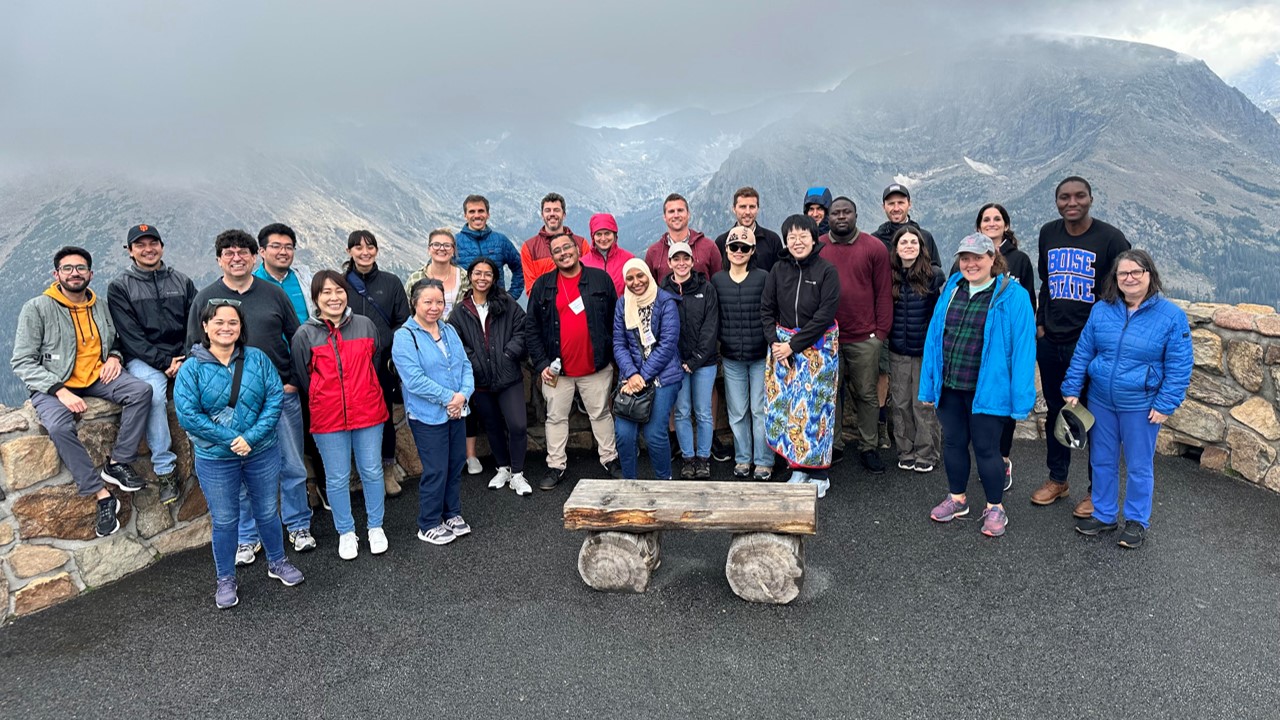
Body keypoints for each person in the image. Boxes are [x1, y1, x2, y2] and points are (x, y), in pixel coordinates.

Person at [188, 229, 313, 561]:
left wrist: (292, 380)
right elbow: (195, 349)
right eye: (228, 253)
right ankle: (248, 536)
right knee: (237, 470)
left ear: (254, 256)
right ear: (219, 259)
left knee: (292, 464)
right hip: (228, 404)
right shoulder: (206, 298)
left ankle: (299, 524)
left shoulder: (273, 294)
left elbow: (297, 337)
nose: (236, 257)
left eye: (242, 252)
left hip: (279, 395)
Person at [13, 247, 152, 538]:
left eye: (80, 268)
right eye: (67, 268)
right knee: (59, 426)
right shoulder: (37, 307)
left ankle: (117, 462)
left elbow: (115, 340)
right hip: (53, 383)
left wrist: (114, 356)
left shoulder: (99, 305)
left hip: (96, 375)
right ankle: (101, 494)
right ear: (56, 274)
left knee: (140, 391)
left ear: (90, 274)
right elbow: (23, 361)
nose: (74, 273)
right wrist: (59, 391)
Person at [174, 300, 304, 609]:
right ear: (205, 326)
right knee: (225, 519)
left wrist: (252, 437)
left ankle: (277, 561)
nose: (226, 327)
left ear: (241, 327)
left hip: (261, 451)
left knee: (267, 511)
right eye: (218, 322)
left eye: (232, 322)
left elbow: (274, 399)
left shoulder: (257, 360)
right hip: (216, 458)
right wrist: (235, 439)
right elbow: (188, 415)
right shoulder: (191, 369)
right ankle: (225, 578)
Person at [1063, 250, 1192, 549]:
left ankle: (1136, 521)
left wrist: (1165, 404)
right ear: (1115, 279)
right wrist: (1072, 386)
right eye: (1124, 273)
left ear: (1150, 275)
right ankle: (1105, 514)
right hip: (1100, 401)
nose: (1130, 278)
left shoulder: (1171, 317)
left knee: (1138, 464)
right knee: (1102, 460)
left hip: (1141, 404)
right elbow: (1084, 351)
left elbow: (1179, 364)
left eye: (1137, 272)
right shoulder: (1102, 311)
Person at [919, 233, 1036, 538]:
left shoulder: (1013, 295)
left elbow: (1024, 349)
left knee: (987, 449)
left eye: (978, 257)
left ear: (992, 259)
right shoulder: (953, 288)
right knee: (954, 444)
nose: (971, 263)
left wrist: (1021, 397)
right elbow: (934, 338)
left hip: (989, 389)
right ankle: (957, 499)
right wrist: (929, 385)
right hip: (951, 384)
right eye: (965, 257)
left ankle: (995, 507)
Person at [1030, 177, 1131, 518]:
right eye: (1064, 197)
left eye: (1079, 196)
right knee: (1057, 412)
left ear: (1090, 198)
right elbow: (1046, 282)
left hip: (1090, 345)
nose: (1071, 202)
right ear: (1056, 201)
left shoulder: (1110, 238)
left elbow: (1125, 286)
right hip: (1052, 340)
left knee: (1094, 417)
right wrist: (1041, 323)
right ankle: (1058, 479)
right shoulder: (1048, 233)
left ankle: (1096, 491)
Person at [291, 271, 389, 561]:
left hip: (368, 411)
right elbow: (303, 376)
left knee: (372, 471)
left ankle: (376, 527)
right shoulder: (305, 334)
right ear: (316, 299)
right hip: (328, 417)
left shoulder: (365, 325)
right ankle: (346, 532)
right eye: (326, 293)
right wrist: (326, 397)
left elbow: (375, 360)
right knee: (336, 477)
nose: (334, 297)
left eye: (339, 291)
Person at [107, 224, 196, 505]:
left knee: (203, 392)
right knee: (155, 397)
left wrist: (183, 356)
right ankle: (165, 470)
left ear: (162, 246)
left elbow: (195, 324)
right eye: (140, 245)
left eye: (153, 243)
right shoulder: (120, 286)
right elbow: (130, 336)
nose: (148, 249)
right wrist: (164, 362)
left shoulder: (181, 281)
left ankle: (211, 460)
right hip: (145, 358)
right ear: (130, 251)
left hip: (182, 355)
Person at [525, 233, 622, 489]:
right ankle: (556, 465)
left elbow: (616, 320)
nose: (563, 253)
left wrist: (614, 356)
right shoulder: (543, 286)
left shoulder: (600, 279)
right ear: (552, 256)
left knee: (601, 413)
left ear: (578, 249)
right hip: (557, 371)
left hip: (596, 367)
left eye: (567, 247)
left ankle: (610, 459)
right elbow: (532, 328)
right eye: (556, 250)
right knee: (555, 418)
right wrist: (541, 363)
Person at [761, 215, 841, 497]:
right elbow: (766, 309)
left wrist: (793, 345)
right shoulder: (778, 270)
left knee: (816, 409)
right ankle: (797, 467)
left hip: (817, 348)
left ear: (813, 238)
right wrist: (774, 344)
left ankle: (819, 472)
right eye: (791, 237)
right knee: (787, 407)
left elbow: (825, 315)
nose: (797, 242)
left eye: (803, 236)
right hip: (782, 348)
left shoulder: (826, 271)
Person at [251, 223, 329, 508]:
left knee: (318, 427)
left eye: (288, 247)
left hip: (311, 365)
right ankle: (293, 500)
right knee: (284, 440)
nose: (283, 252)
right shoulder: (252, 283)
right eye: (276, 246)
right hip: (274, 373)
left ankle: (322, 485)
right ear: (261, 251)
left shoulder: (304, 278)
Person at [393, 279, 475, 546]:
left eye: (439, 301)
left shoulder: (449, 330)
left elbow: (465, 366)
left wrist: (462, 396)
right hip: (428, 416)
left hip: (456, 410)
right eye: (427, 301)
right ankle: (428, 522)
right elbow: (413, 379)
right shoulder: (405, 336)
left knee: (455, 464)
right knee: (436, 469)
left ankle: (451, 513)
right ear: (414, 303)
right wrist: (449, 398)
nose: (434, 307)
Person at [448, 258, 531, 495]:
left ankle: (518, 473)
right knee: (492, 426)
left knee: (517, 425)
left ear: (494, 278)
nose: (482, 278)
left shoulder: (506, 303)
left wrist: (508, 353)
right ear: (470, 276)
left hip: (508, 377)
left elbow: (522, 330)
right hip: (480, 380)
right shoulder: (461, 310)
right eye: (477, 273)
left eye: (487, 274)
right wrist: (474, 360)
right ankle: (503, 468)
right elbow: (456, 343)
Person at [968, 204, 1036, 489]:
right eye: (986, 219)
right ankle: (985, 457)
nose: (992, 223)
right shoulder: (969, 257)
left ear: (1006, 225)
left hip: (1006, 347)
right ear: (979, 226)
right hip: (976, 346)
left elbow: (1029, 300)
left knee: (1004, 408)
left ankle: (1003, 460)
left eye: (997, 219)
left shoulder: (1019, 259)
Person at [823, 196, 893, 474]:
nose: (841, 217)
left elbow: (884, 293)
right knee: (831, 393)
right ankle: (834, 444)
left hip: (865, 337)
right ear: (828, 217)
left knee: (866, 394)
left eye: (846, 212)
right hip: (828, 337)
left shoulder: (873, 247)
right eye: (836, 213)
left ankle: (868, 446)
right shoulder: (819, 248)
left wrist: (880, 333)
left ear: (855, 215)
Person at [342, 229, 412, 495]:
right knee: (352, 419)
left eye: (370, 247)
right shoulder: (341, 284)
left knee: (383, 417)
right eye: (358, 247)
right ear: (349, 252)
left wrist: (380, 341)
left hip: (382, 363)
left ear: (376, 251)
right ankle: (361, 472)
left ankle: (387, 471)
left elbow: (403, 321)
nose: (364, 252)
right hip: (348, 366)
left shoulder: (391, 282)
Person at [613, 259, 684, 480]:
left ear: (648, 275)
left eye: (640, 276)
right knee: (624, 434)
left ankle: (664, 482)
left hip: (663, 376)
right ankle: (629, 483)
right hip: (631, 376)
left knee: (654, 434)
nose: (636, 282)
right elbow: (619, 343)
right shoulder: (623, 303)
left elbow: (667, 345)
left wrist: (641, 376)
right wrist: (632, 374)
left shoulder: (665, 302)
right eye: (630, 278)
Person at [712, 226, 773, 479]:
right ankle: (743, 458)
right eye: (734, 247)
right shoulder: (717, 280)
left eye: (744, 248)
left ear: (752, 251)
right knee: (737, 412)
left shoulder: (764, 278)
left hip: (760, 355)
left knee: (760, 410)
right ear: (726, 249)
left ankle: (763, 460)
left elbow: (771, 313)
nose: (739, 251)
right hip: (731, 356)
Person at [887, 227, 945, 473]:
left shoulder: (934, 276)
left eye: (913, 242)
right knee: (900, 403)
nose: (908, 246)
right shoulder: (889, 276)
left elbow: (941, 313)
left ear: (922, 247)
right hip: (898, 349)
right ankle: (905, 450)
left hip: (924, 350)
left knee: (923, 404)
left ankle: (927, 452)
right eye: (903, 242)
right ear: (896, 248)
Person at [662, 242, 720, 478]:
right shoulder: (662, 290)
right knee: (682, 411)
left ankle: (703, 458)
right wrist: (674, 361)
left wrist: (694, 360)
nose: (682, 263)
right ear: (669, 263)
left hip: (703, 363)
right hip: (676, 363)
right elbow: (661, 328)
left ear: (693, 261)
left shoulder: (706, 289)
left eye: (686, 258)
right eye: (676, 259)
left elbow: (710, 328)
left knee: (703, 411)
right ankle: (688, 458)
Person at [456, 194, 523, 299]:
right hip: (466, 308)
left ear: (488, 214)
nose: (477, 215)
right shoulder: (455, 243)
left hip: (497, 306)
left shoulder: (500, 241)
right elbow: (437, 270)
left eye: (481, 211)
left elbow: (520, 267)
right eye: (472, 211)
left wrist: (512, 296)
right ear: (465, 215)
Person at [521, 192, 589, 295]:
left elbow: (588, 278)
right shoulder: (529, 248)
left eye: (556, 210)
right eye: (548, 210)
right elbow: (531, 288)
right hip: (545, 306)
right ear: (542, 215)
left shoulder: (581, 244)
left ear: (564, 215)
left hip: (578, 304)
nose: (552, 214)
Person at [644, 193, 721, 283]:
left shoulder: (709, 247)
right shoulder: (653, 252)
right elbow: (649, 289)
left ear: (688, 214)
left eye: (680, 210)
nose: (676, 215)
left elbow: (718, 283)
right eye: (671, 211)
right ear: (664, 217)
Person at [714, 186, 782, 273]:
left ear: (758, 209)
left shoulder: (772, 240)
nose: (747, 212)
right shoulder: (722, 241)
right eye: (742, 207)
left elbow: (779, 275)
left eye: (752, 207)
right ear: (734, 209)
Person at [405, 229, 470, 319]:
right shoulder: (415, 278)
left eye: (447, 245)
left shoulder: (465, 278)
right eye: (436, 245)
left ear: (453, 250)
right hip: (423, 331)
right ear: (429, 249)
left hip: (458, 332)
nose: (442, 248)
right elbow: (407, 311)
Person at [581, 212, 635, 296]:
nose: (603, 238)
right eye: (599, 234)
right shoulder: (583, 264)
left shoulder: (628, 259)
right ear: (593, 237)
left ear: (614, 235)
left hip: (623, 308)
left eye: (607, 233)